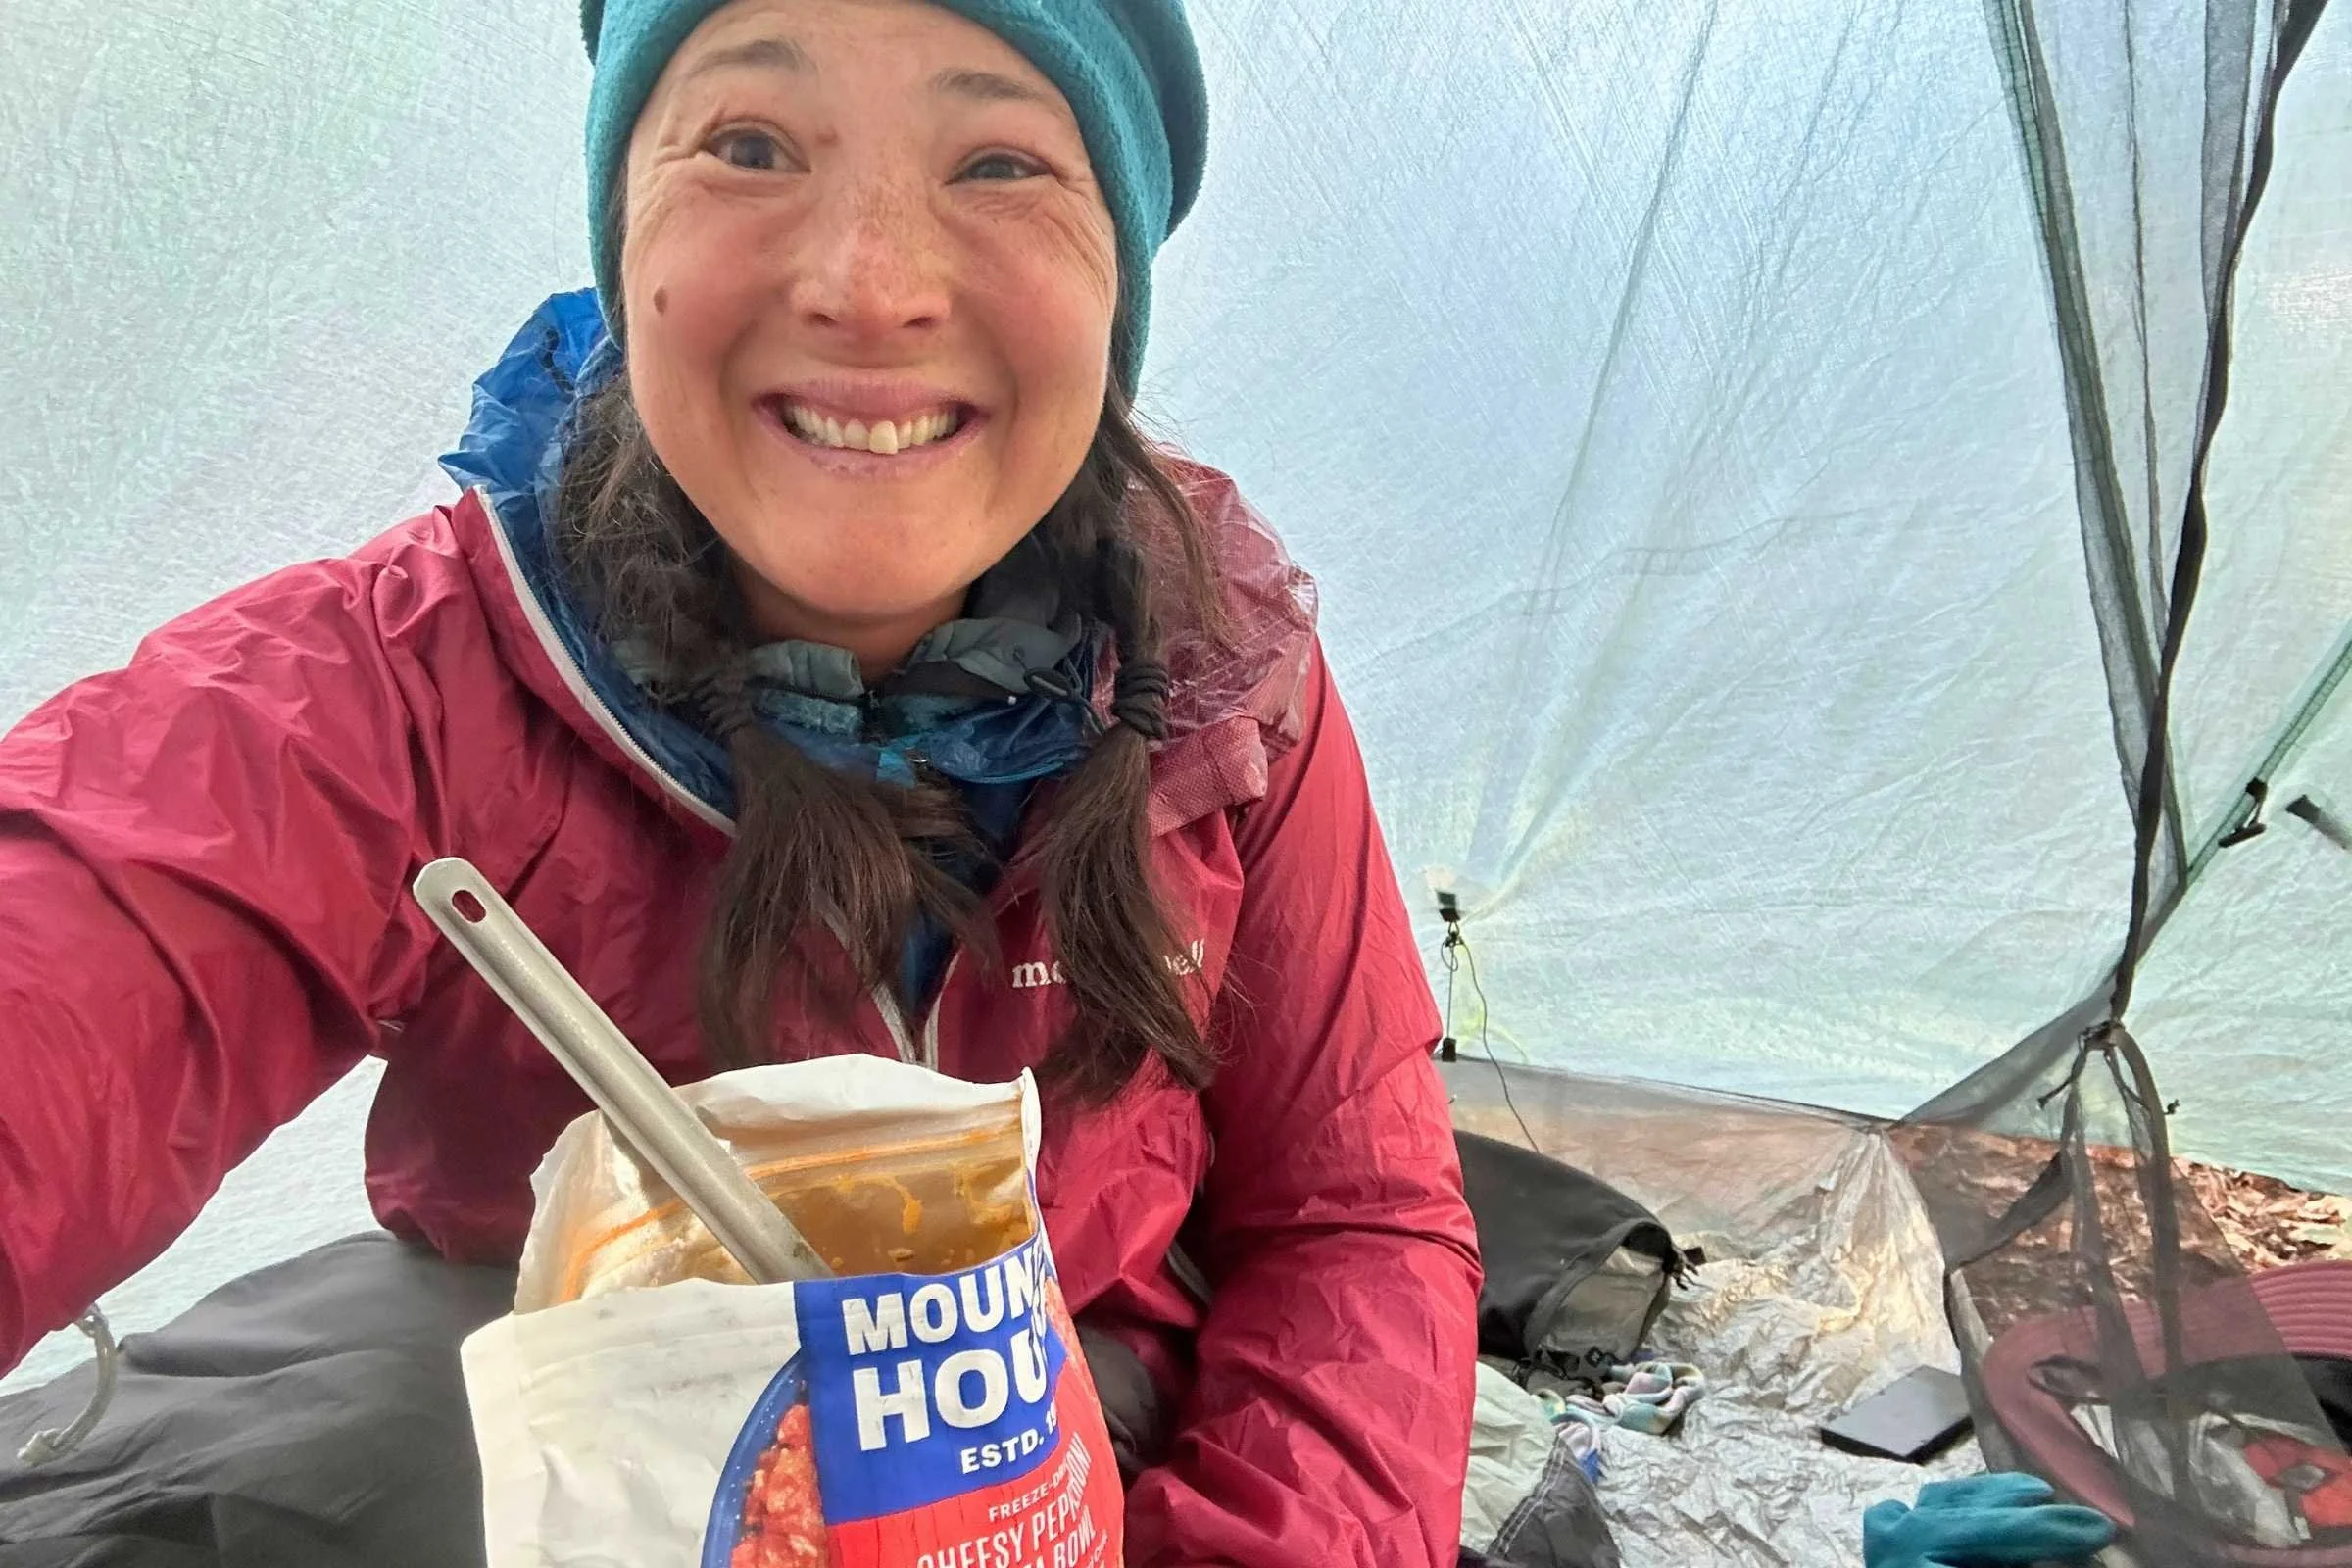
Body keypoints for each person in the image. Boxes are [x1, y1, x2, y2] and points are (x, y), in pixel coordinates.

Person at [0, 1, 1483, 1562]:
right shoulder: (407, 681)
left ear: (1118, 281)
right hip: (557, 1431)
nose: (868, 287)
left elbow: (1353, 1215)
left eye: (997, 163)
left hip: (1070, 1437)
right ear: (622, 224)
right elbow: (87, 941)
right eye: (750, 145)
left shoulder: (1225, 691)